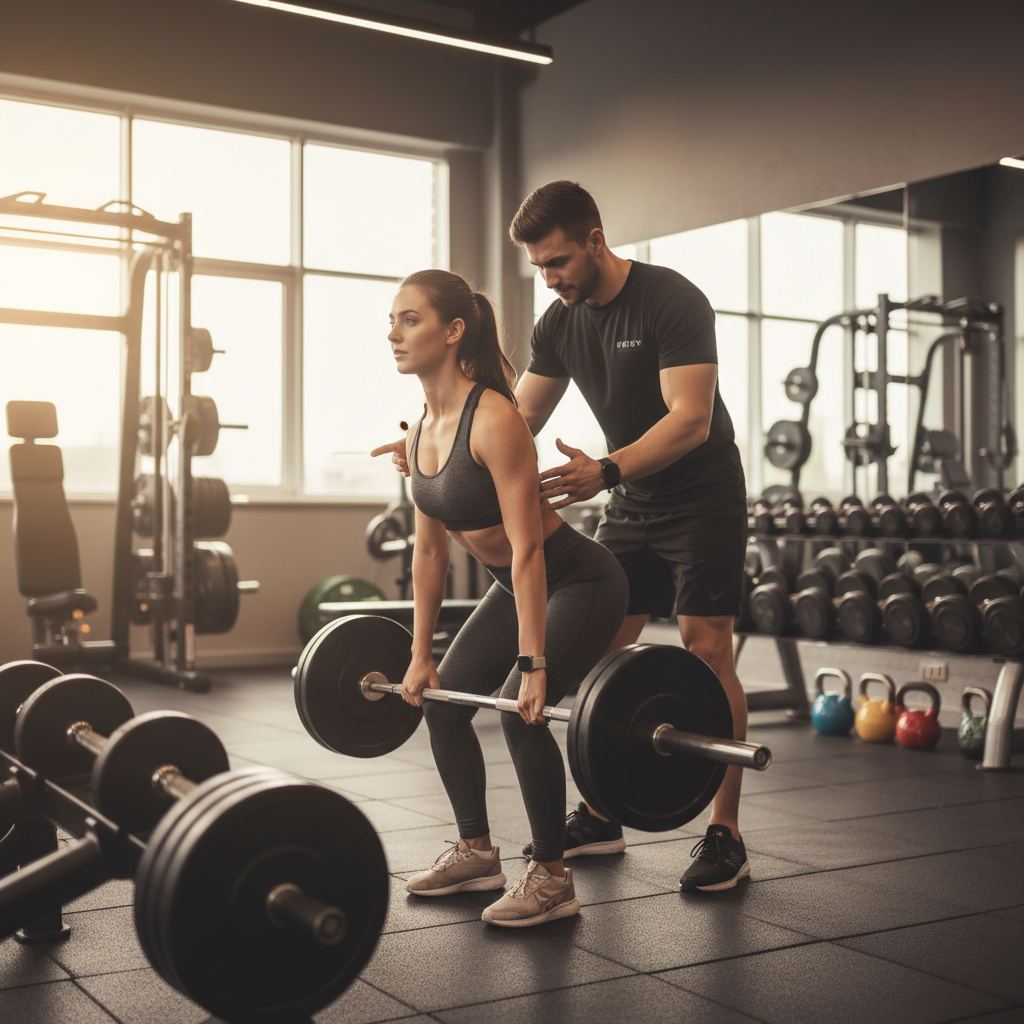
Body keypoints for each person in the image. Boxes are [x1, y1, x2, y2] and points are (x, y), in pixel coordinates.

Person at [509, 180, 750, 894]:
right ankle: (603, 812)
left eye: (558, 262)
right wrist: (443, 447)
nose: (550, 279)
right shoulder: (559, 322)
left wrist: (607, 470)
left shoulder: (671, 299)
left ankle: (725, 834)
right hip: (631, 498)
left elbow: (691, 418)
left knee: (706, 647)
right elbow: (518, 419)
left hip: (702, 493)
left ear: (595, 239)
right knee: (600, 647)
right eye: (539, 269)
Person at [376, 268, 628, 927]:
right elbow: (428, 551)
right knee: (442, 704)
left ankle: (551, 877)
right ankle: (476, 851)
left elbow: (529, 549)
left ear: (454, 331)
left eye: (410, 320)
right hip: (515, 586)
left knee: (522, 713)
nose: (393, 334)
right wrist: (419, 654)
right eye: (392, 320)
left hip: (580, 582)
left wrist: (535, 664)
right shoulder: (421, 429)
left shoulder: (495, 419)